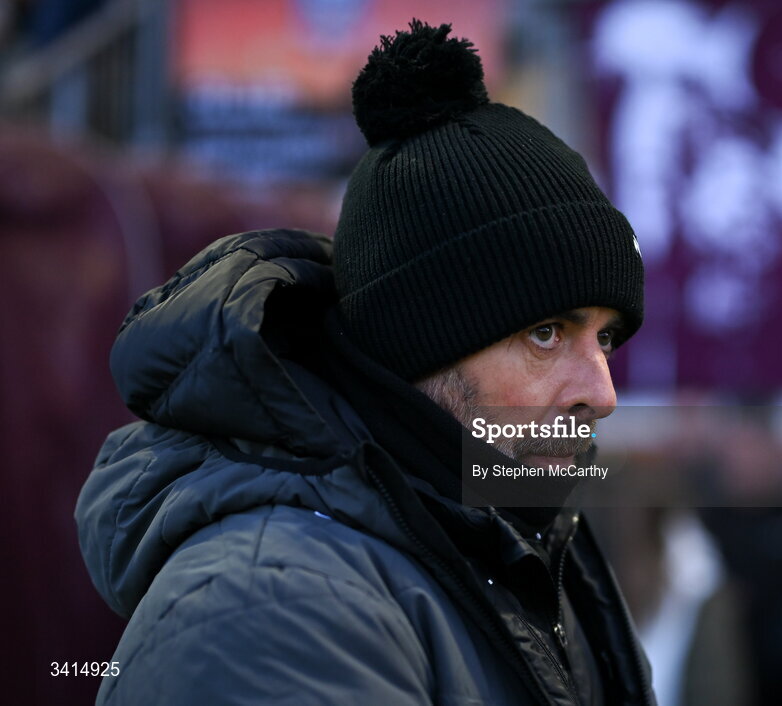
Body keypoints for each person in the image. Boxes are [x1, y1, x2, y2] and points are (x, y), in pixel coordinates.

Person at [74, 20, 652, 705]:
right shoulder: (272, 612)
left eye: (607, 338)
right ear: (419, 341)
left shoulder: (517, 543)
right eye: (549, 334)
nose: (603, 392)